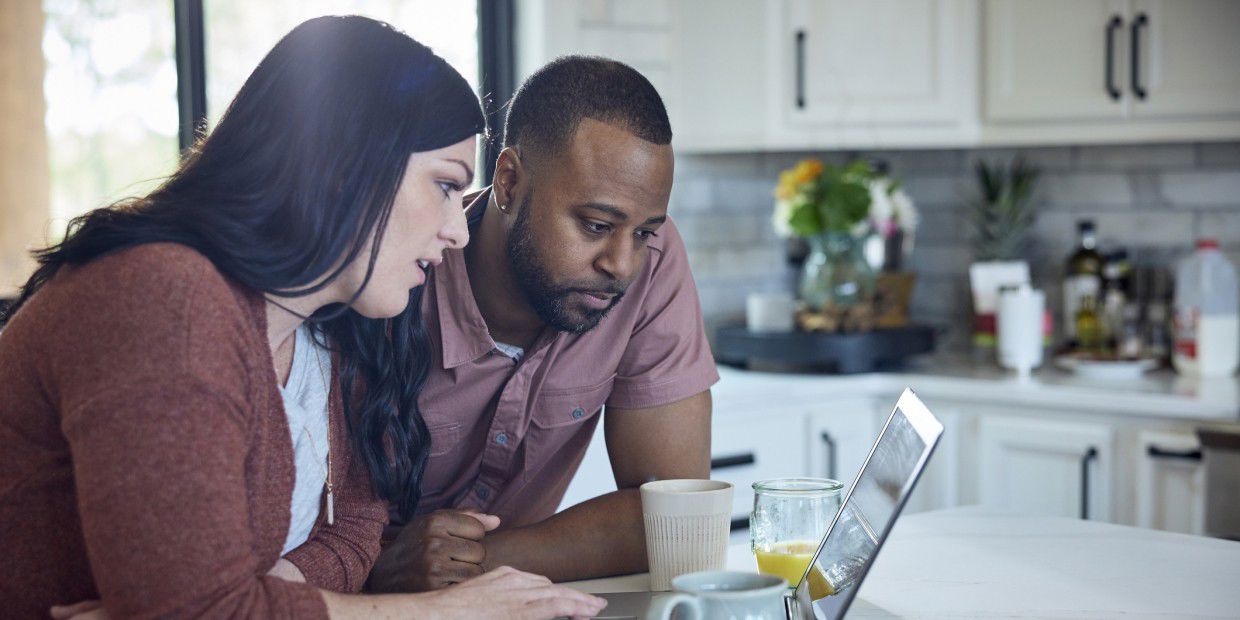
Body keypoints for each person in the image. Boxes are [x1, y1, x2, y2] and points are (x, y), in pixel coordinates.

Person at [0, 16, 603, 620]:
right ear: (343, 165)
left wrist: (256, 597)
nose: (455, 231)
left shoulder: (325, 324)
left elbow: (359, 528)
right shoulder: (167, 300)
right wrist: (451, 611)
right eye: (445, 185)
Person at [368, 56, 718, 592]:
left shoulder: (652, 263)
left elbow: (675, 519)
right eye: (596, 225)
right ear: (508, 181)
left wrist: (465, 562)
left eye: (644, 232)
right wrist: (385, 567)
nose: (621, 266)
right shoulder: (395, 274)